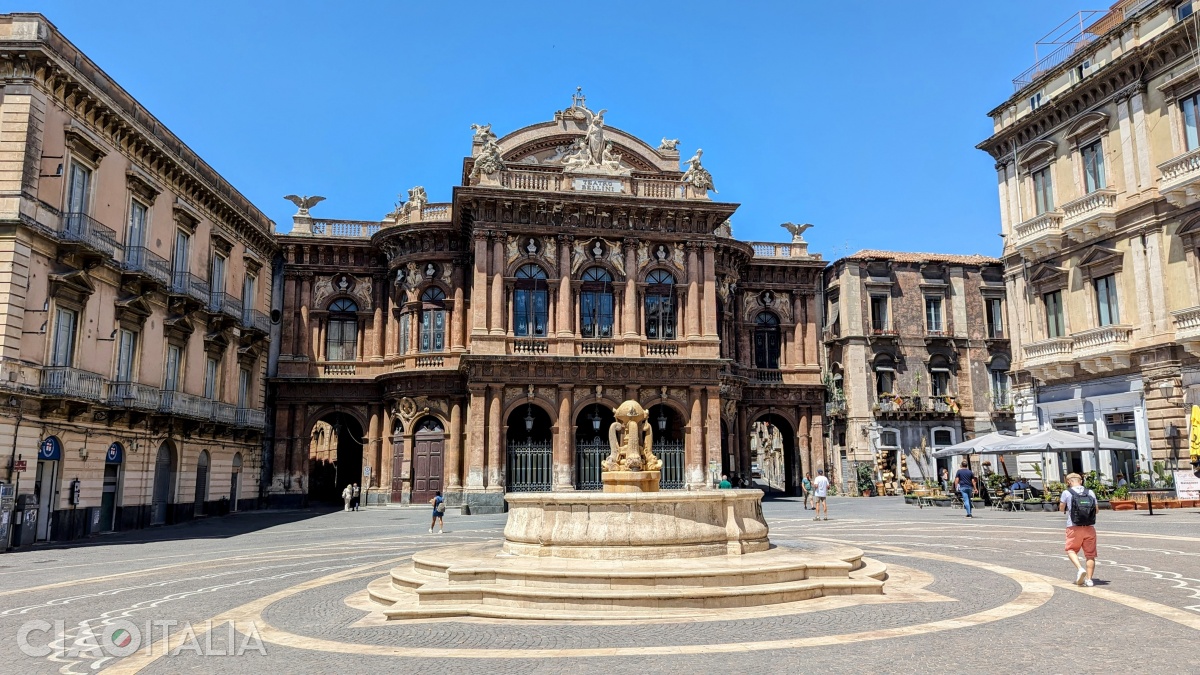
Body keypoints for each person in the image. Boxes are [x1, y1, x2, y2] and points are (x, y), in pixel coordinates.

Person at [1060, 472, 1099, 587]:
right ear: (1081, 481)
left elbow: (1061, 508)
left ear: (1068, 482)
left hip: (1073, 526)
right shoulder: (1090, 492)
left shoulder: (1067, 492)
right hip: (1089, 527)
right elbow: (1096, 510)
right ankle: (1089, 580)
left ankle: (1080, 568)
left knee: (1071, 550)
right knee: (1090, 555)